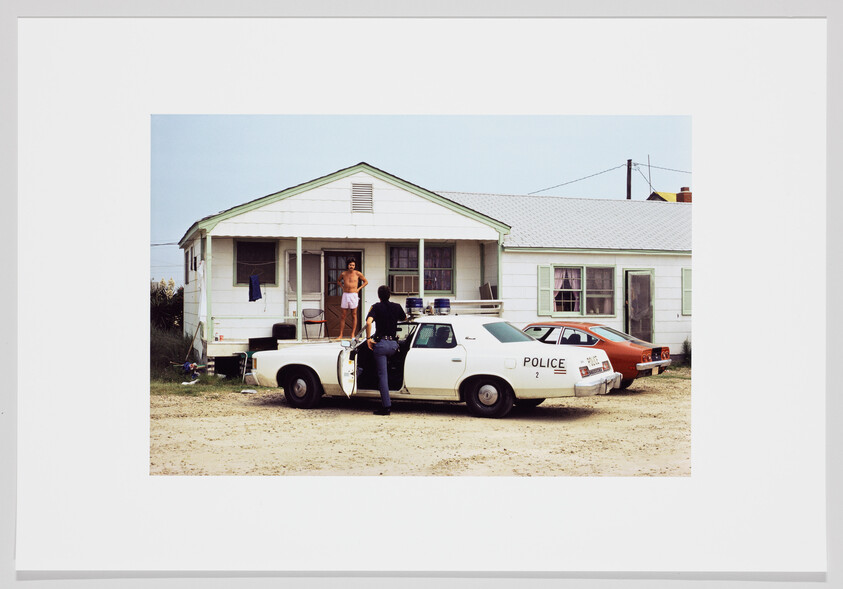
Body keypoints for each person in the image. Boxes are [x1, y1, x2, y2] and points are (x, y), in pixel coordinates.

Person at [365, 285, 407, 416]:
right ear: (390, 295)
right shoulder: (397, 307)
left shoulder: (376, 307)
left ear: (379, 296)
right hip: (394, 346)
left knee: (382, 375)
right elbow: (405, 318)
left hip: (381, 346)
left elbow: (368, 322)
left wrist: (368, 339)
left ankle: (386, 407)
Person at [336, 258, 368, 339]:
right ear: (348, 265)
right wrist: (342, 287)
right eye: (350, 265)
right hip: (345, 294)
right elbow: (338, 281)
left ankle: (353, 334)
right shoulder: (343, 274)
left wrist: (358, 289)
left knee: (354, 315)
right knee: (343, 315)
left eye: (353, 265)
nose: (351, 266)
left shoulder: (358, 273)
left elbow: (366, 282)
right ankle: (340, 334)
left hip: (353, 294)